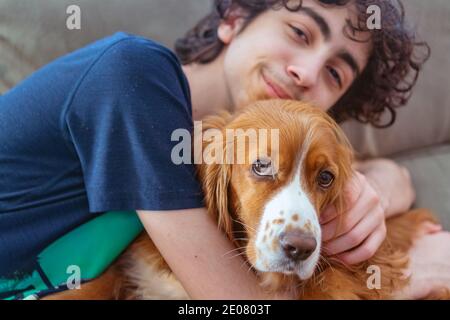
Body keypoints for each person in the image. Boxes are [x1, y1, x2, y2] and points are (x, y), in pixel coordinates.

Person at [0, 0, 448, 299]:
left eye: (335, 74)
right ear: (233, 17)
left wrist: (391, 179)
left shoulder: (212, 165)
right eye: (299, 32)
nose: (307, 72)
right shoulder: (134, 75)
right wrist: (397, 285)